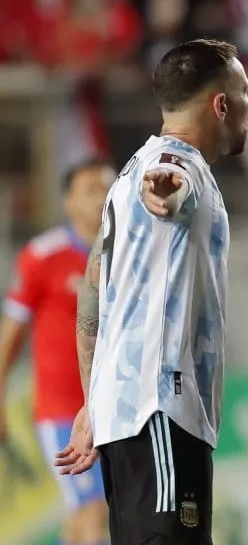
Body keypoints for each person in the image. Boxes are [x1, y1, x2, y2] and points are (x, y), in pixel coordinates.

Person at [54, 38, 248, 544]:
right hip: (161, 409)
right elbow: (171, 187)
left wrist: (94, 400)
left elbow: (90, 289)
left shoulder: (125, 178)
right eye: (245, 91)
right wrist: (166, 189)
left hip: (129, 417)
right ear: (221, 104)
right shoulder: (173, 166)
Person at [0, 158, 114, 545]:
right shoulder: (42, 256)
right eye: (91, 189)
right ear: (68, 202)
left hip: (112, 409)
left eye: (107, 188)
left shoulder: (127, 256)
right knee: (93, 509)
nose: (102, 198)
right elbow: (10, 335)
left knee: (86, 513)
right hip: (61, 411)